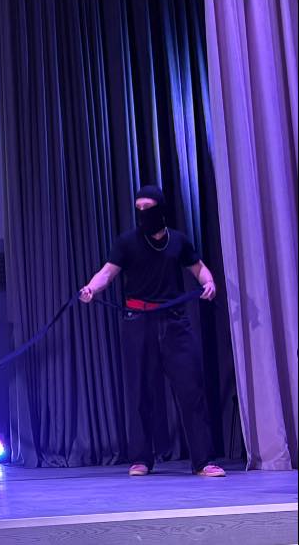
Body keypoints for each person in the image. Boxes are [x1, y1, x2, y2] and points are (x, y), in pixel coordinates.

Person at [79, 184, 225, 477]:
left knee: (191, 390)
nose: (143, 213)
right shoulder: (126, 242)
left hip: (174, 322)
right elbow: (107, 272)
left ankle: (203, 461)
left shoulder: (178, 241)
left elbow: (199, 269)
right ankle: (141, 459)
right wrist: (91, 288)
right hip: (138, 322)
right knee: (141, 392)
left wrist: (209, 283)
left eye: (148, 207)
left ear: (160, 209)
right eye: (139, 208)